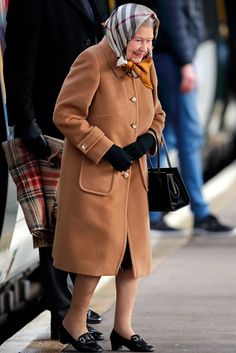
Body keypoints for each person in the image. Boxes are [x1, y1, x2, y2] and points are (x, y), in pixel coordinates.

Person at [52, 3, 165, 352]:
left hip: (133, 183)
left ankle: (123, 329)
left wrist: (149, 138)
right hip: (96, 178)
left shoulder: (145, 66)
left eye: (149, 41)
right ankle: (73, 322)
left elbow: (157, 113)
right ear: (120, 33)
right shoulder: (92, 60)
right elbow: (66, 114)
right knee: (95, 258)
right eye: (138, 40)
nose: (144, 48)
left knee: (131, 260)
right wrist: (107, 148)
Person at [3, 0, 108, 340]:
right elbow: (17, 61)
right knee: (53, 222)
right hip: (49, 123)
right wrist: (25, 122)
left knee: (85, 216)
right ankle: (62, 314)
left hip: (89, 118)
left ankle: (75, 305)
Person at [147, 0, 233, 234]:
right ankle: (199, 213)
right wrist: (185, 63)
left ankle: (154, 213)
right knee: (188, 137)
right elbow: (172, 18)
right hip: (174, 62)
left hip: (171, 60)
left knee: (168, 138)